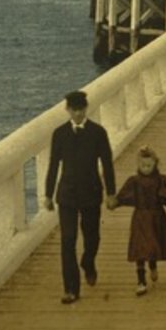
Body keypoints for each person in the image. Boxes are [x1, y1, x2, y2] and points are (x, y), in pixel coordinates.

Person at [43, 90, 117, 304]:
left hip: (91, 192)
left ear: (86, 108)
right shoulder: (59, 134)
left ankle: (88, 261)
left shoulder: (98, 132)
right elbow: (53, 165)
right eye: (74, 110)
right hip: (67, 194)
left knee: (92, 237)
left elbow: (107, 164)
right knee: (68, 240)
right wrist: (48, 194)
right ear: (67, 110)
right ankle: (71, 289)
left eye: (81, 109)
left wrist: (111, 193)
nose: (77, 114)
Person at [114, 146, 166, 296]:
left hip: (156, 217)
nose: (146, 168)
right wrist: (115, 203)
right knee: (140, 248)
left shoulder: (161, 180)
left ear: (155, 164)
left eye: (149, 165)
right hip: (140, 218)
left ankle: (153, 265)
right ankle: (141, 281)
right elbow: (123, 196)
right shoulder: (134, 181)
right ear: (138, 164)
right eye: (143, 165)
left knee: (152, 245)